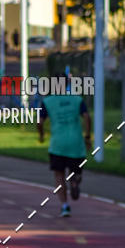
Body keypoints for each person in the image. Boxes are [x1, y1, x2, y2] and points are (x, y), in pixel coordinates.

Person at [37, 77, 92, 218]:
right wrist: (87, 136)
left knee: (59, 175)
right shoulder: (76, 100)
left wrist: (41, 135)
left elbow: (40, 121)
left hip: (57, 145)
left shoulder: (48, 102)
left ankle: (65, 206)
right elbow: (86, 117)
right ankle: (74, 181)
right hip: (76, 144)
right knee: (76, 172)